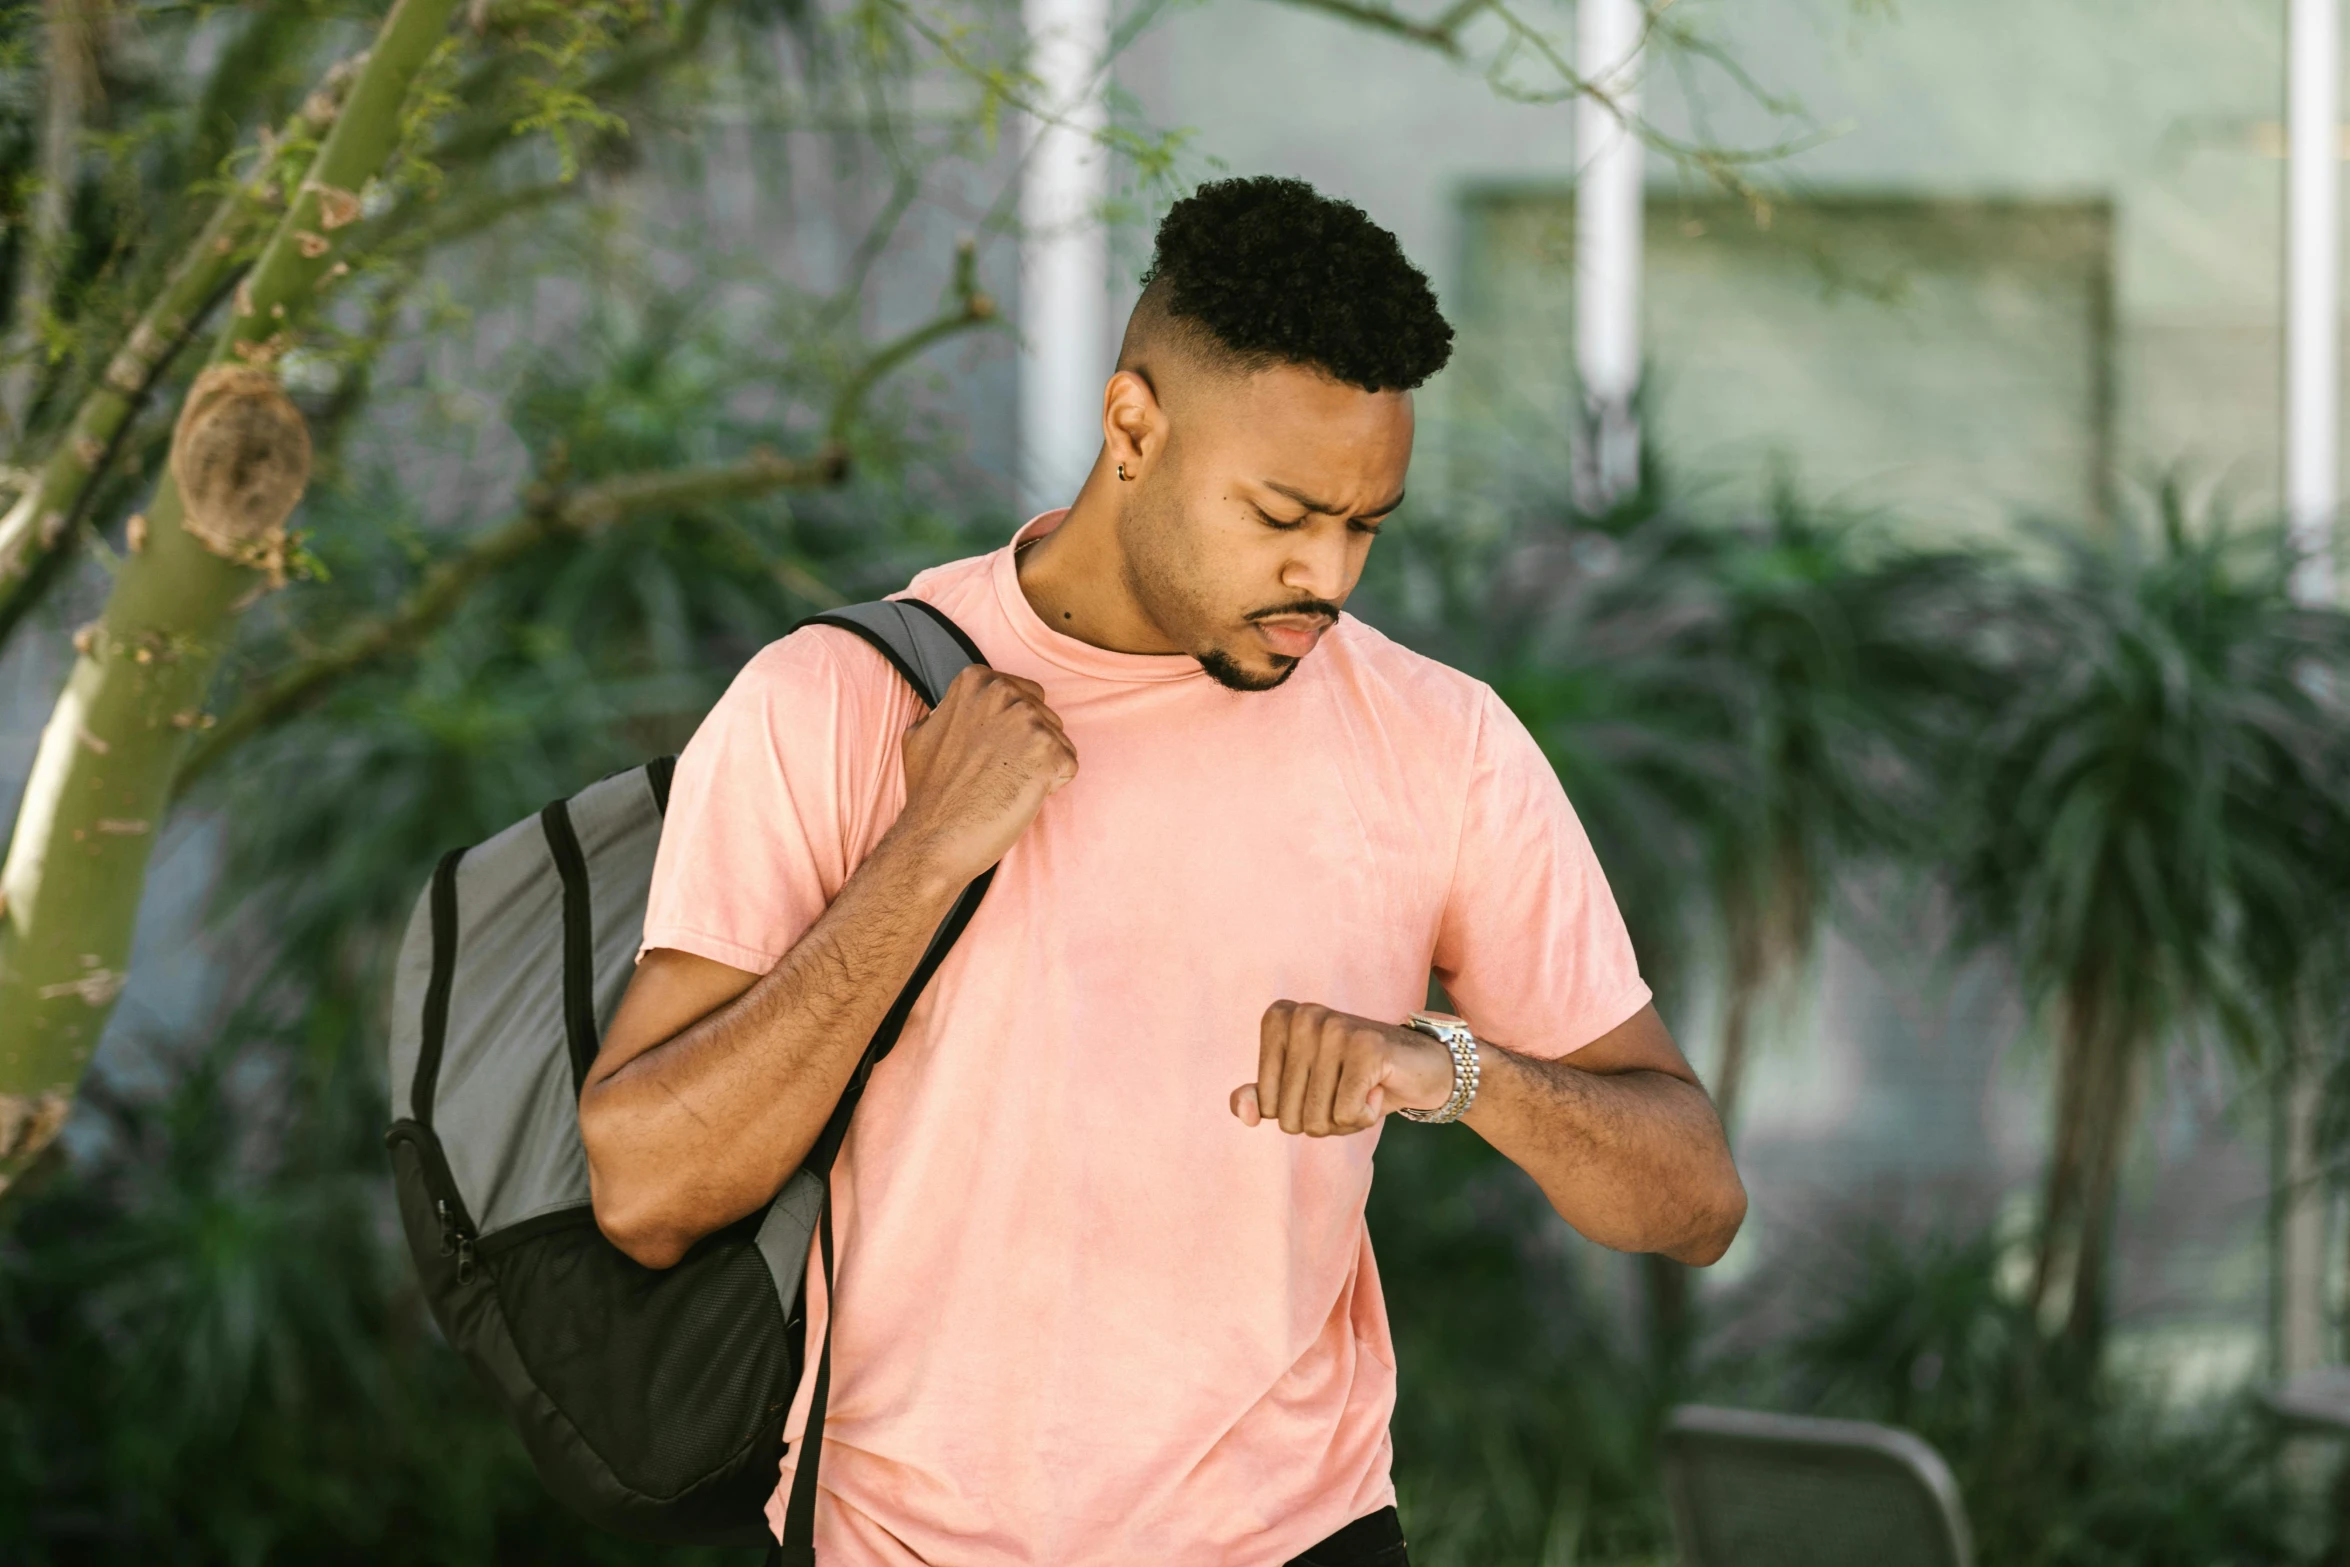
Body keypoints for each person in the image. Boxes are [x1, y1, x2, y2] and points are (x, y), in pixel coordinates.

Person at [577, 175, 1746, 1567]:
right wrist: (926, 851)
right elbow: (644, 1192)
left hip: (1295, 1540)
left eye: (1364, 524)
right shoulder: (832, 701)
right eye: (1281, 513)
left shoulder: (1442, 745)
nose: (1326, 573)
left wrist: (1448, 1065)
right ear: (1132, 426)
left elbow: (1691, 1196)